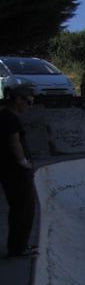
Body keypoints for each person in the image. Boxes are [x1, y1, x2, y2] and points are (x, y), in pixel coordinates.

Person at [0, 85, 37, 257]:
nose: (29, 107)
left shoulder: (5, 115)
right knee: (23, 209)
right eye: (28, 102)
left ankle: (18, 246)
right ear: (18, 100)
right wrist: (23, 162)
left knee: (20, 209)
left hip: (9, 170)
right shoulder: (11, 118)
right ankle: (18, 248)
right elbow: (14, 142)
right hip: (15, 171)